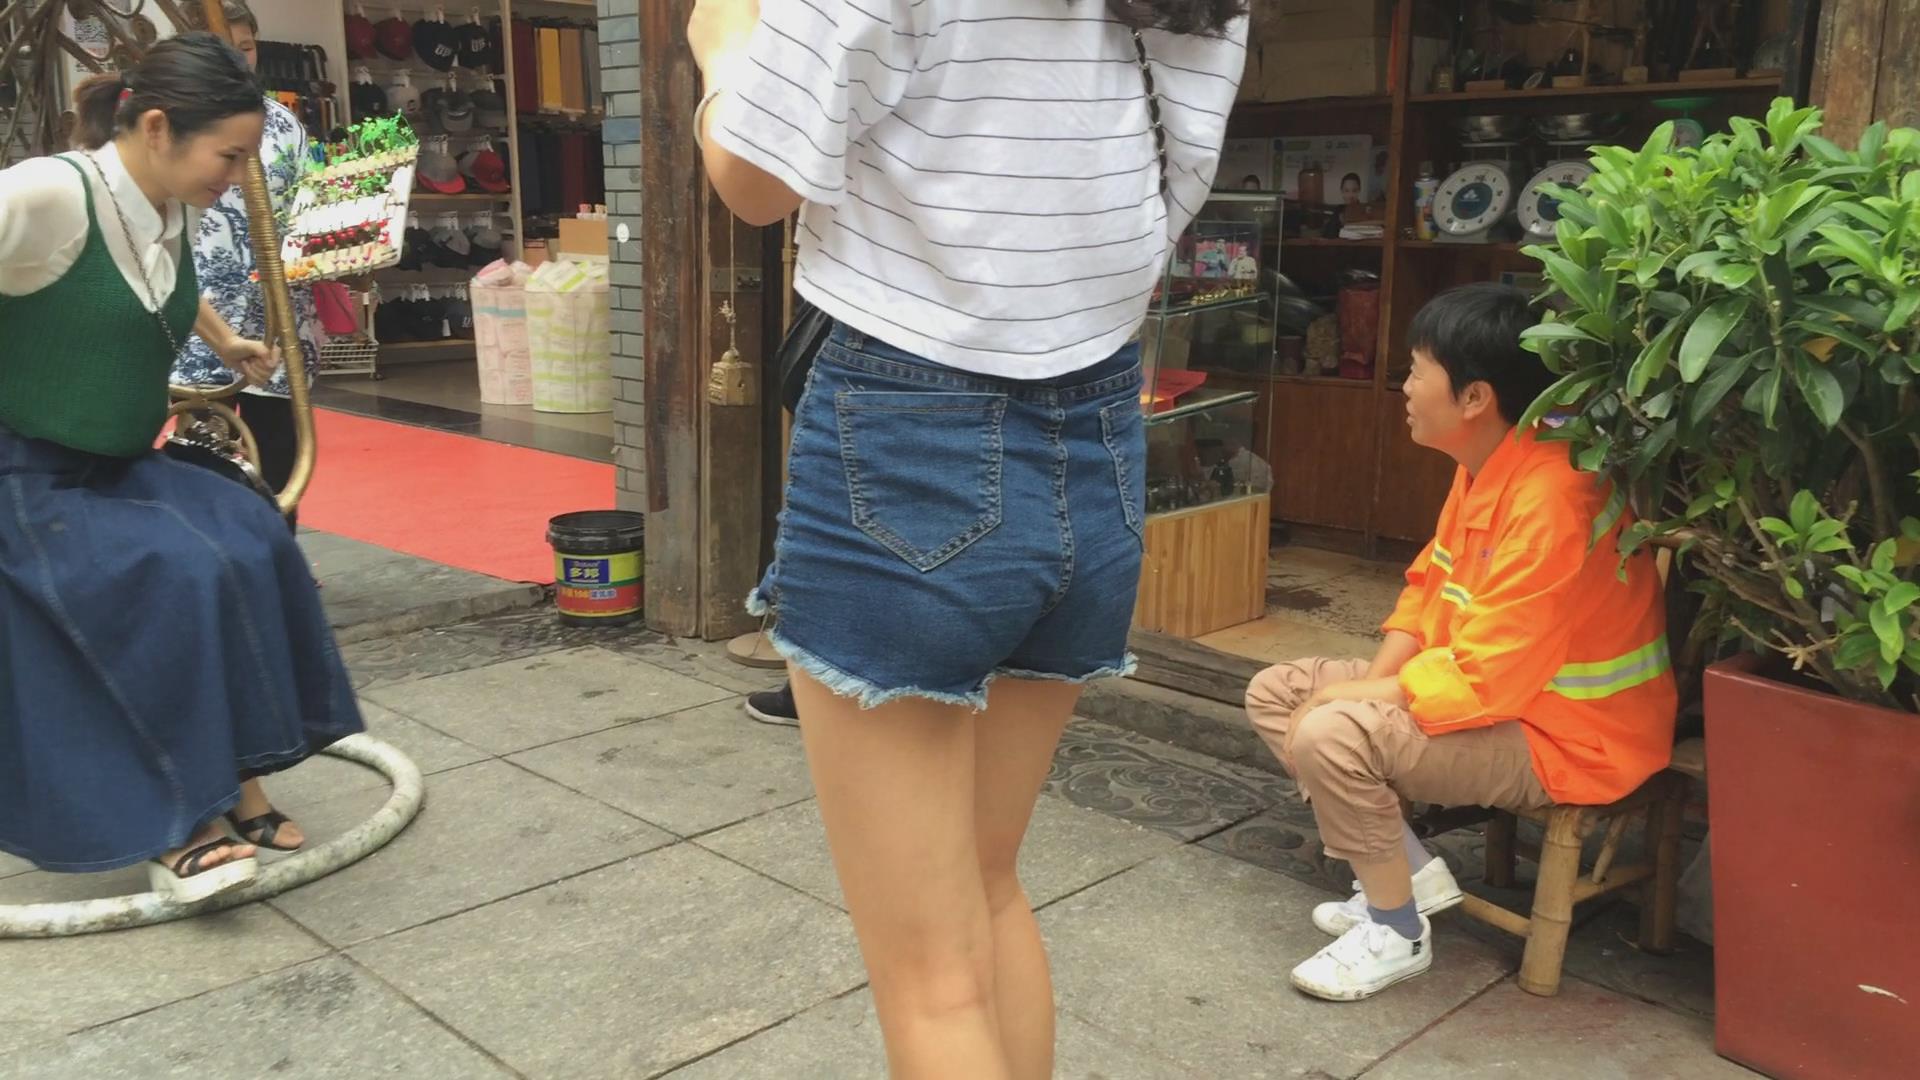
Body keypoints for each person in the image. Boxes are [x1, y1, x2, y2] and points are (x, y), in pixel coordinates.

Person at [689, 0, 1247, 1076]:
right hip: (1096, 432)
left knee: (930, 982)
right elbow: (1165, 194)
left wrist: (719, 43)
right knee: (988, 889)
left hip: (907, 427)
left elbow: (753, 182)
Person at [0, 33, 364, 903]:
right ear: (158, 126)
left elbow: (154, 275)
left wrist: (226, 340)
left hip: (121, 463)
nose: (236, 177)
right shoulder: (48, 192)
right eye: (228, 157)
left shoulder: (167, 200)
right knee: (173, 570)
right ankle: (180, 819)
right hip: (28, 476)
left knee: (252, 534)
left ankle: (235, 772)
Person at [1242, 283, 1677, 1001]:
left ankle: (1397, 932)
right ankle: (1411, 874)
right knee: (1277, 692)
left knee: (1330, 732)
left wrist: (1351, 702)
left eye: (1418, 371)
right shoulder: (1488, 465)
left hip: (1568, 736)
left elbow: (1487, 681)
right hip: (1500, 699)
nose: (1405, 388)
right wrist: (1360, 686)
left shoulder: (1553, 499)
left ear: (1474, 397)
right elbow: (1427, 590)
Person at [173, 2, 324, 540]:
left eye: (248, 48)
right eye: (225, 48)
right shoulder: (178, 124)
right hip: (201, 314)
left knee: (281, 451)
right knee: (203, 452)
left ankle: (278, 557)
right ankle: (210, 560)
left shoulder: (283, 123)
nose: (240, 60)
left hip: (279, 312)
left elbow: (311, 202)